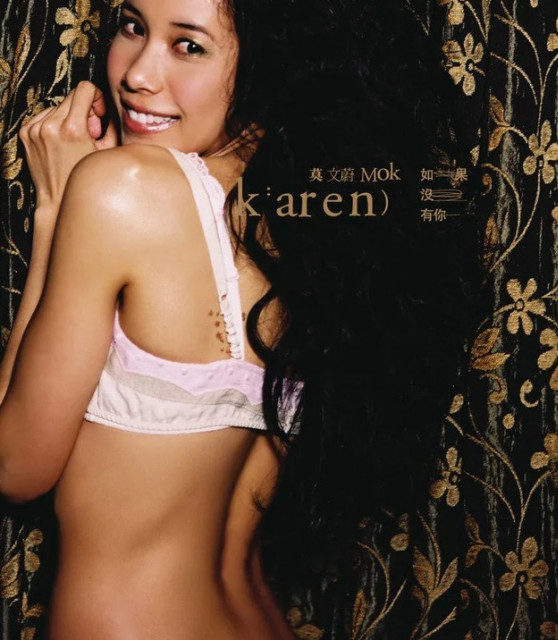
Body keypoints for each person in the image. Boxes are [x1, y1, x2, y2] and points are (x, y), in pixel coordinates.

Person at [0, 0, 478, 638]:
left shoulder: (123, 187)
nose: (137, 73)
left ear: (271, 62)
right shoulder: (317, 228)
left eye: (188, 45)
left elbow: (15, 467)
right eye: (133, 26)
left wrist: (55, 206)